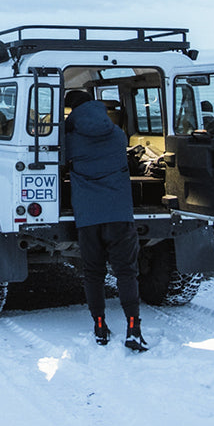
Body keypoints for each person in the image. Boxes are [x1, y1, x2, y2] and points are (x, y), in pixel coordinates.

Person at [63, 89, 147, 351]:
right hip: (119, 214)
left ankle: (99, 325)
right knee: (126, 272)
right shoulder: (118, 135)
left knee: (93, 273)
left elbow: (63, 162)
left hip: (88, 217)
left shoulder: (70, 140)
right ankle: (133, 328)